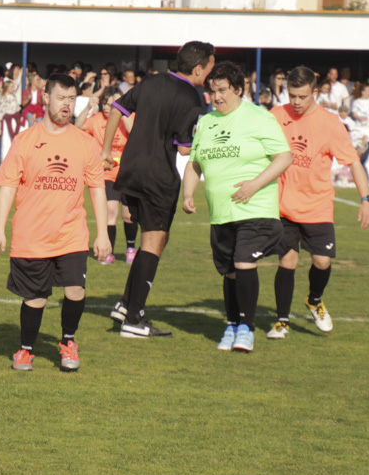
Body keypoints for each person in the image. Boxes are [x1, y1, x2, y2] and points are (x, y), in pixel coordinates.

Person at [0, 74, 110, 371]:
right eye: (61, 98)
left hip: (71, 233)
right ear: (45, 98)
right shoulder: (25, 140)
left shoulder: (84, 143)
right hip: (31, 235)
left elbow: (97, 188)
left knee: (75, 291)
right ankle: (25, 350)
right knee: (36, 299)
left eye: (71, 99)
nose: (66, 105)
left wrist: (103, 233)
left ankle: (68, 342)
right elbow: (8, 185)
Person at [103, 41, 213, 338]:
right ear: (200, 68)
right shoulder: (191, 97)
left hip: (131, 171)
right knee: (155, 241)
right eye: (211, 66)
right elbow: (185, 149)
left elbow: (116, 108)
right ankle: (134, 320)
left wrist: (105, 150)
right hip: (158, 177)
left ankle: (126, 305)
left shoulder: (151, 81)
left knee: (147, 240)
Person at [181, 61, 292, 352]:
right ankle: (231, 325)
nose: (216, 97)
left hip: (255, 209)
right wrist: (188, 194)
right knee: (230, 270)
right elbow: (194, 163)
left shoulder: (259, 117)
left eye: (222, 90)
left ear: (239, 89)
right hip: (221, 213)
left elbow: (284, 156)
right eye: (212, 91)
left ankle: (246, 328)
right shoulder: (206, 121)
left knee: (244, 262)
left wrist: (255, 184)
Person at [269, 66, 369, 339]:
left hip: (317, 206)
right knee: (287, 262)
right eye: (292, 95)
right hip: (284, 206)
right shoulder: (276, 116)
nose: (296, 102)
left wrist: (366, 200)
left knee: (322, 261)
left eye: (302, 96)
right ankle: (282, 322)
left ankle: (314, 300)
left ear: (314, 93)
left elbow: (353, 162)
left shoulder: (329, 123)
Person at [81, 86, 138, 265]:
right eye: (105, 103)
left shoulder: (129, 118)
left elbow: (132, 130)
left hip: (128, 173)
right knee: (110, 212)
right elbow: (78, 126)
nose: (107, 107)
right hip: (106, 173)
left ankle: (130, 248)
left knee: (128, 215)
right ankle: (109, 252)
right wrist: (88, 107)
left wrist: (123, 110)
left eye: (111, 103)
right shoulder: (96, 120)